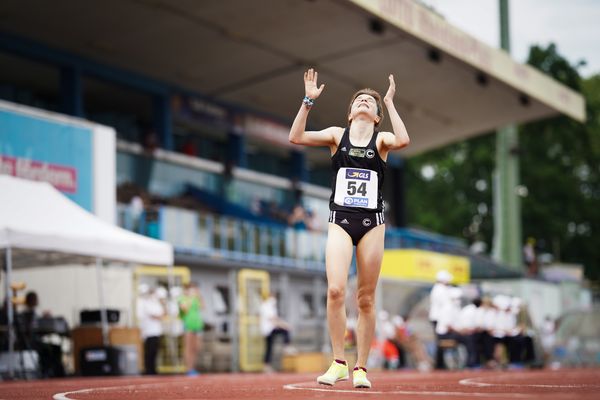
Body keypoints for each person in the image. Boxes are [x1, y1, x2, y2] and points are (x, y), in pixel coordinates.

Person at [289, 68, 410, 389]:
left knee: (366, 299)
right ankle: (339, 362)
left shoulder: (381, 140)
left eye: (371, 102)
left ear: (376, 116)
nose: (364, 102)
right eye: (360, 99)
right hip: (340, 220)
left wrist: (390, 101)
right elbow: (296, 137)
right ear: (350, 111)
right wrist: (307, 101)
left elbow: (404, 140)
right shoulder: (335, 135)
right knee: (335, 290)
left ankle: (361, 368)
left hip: (372, 223)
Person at [259, 293, 293, 373]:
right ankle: (286, 346)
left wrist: (283, 325)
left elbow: (275, 319)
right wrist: (285, 325)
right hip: (269, 330)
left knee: (269, 348)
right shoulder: (267, 306)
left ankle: (266, 366)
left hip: (268, 330)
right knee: (285, 331)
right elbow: (273, 320)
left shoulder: (269, 306)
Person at [136, 284, 165, 375]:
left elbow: (162, 314)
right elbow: (154, 315)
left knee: (155, 351)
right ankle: (148, 369)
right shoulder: (144, 302)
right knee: (149, 351)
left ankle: (153, 368)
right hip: (149, 331)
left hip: (156, 331)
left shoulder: (154, 303)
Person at [178, 282, 204, 376]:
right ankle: (189, 369)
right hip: (188, 325)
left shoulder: (196, 298)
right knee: (188, 348)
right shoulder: (182, 298)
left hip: (197, 325)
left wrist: (199, 296)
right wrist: (190, 297)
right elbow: (185, 309)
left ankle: (193, 367)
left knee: (196, 348)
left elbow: (202, 307)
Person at [429, 270, 452, 369]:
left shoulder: (438, 289)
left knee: (441, 341)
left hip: (438, 318)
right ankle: (439, 364)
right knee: (440, 342)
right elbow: (444, 307)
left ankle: (440, 363)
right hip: (439, 319)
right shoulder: (440, 289)